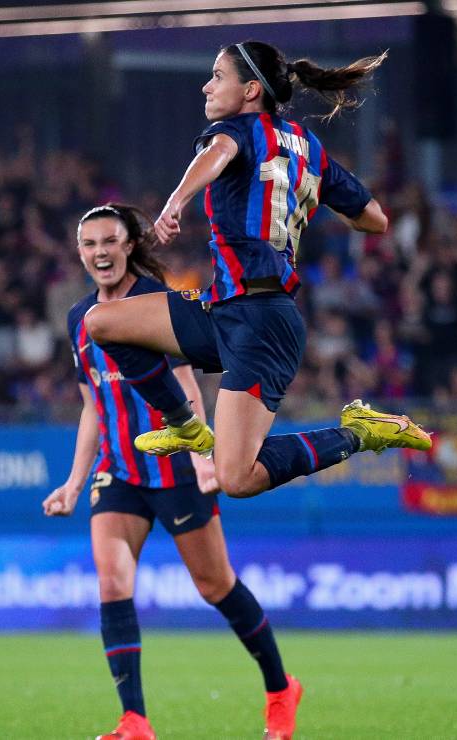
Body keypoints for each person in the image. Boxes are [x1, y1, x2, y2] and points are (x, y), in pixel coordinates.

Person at [82, 40, 431, 510]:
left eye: (217, 76)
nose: (207, 86)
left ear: (250, 90)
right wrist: (316, 200)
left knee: (236, 477)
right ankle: (184, 425)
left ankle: (359, 433)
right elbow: (375, 219)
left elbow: (220, 152)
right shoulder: (308, 147)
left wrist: (175, 201)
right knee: (101, 322)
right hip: (226, 308)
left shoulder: (235, 130)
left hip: (261, 321)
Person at [43, 204, 300, 740]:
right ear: (80, 253)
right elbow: (94, 407)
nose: (100, 253)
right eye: (89, 244)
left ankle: (280, 688)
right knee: (113, 582)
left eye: (109, 241)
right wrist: (73, 481)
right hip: (119, 472)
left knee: (215, 585)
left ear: (130, 244)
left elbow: (186, 384)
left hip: (174, 469)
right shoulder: (79, 319)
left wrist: (205, 456)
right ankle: (134, 721)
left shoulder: (151, 303)